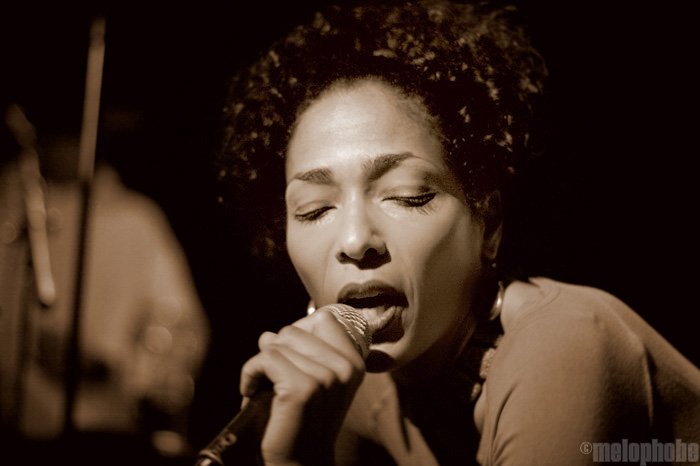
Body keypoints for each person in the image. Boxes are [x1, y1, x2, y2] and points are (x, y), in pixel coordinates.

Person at [214, 1, 700, 464]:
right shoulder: (354, 391)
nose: (355, 241)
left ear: (488, 223)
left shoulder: (566, 344)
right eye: (315, 210)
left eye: (407, 195)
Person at [0, 108, 210, 464]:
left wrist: (110, 369)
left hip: (102, 432)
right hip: (13, 429)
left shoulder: (134, 219)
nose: (63, 148)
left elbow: (181, 332)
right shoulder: (9, 210)